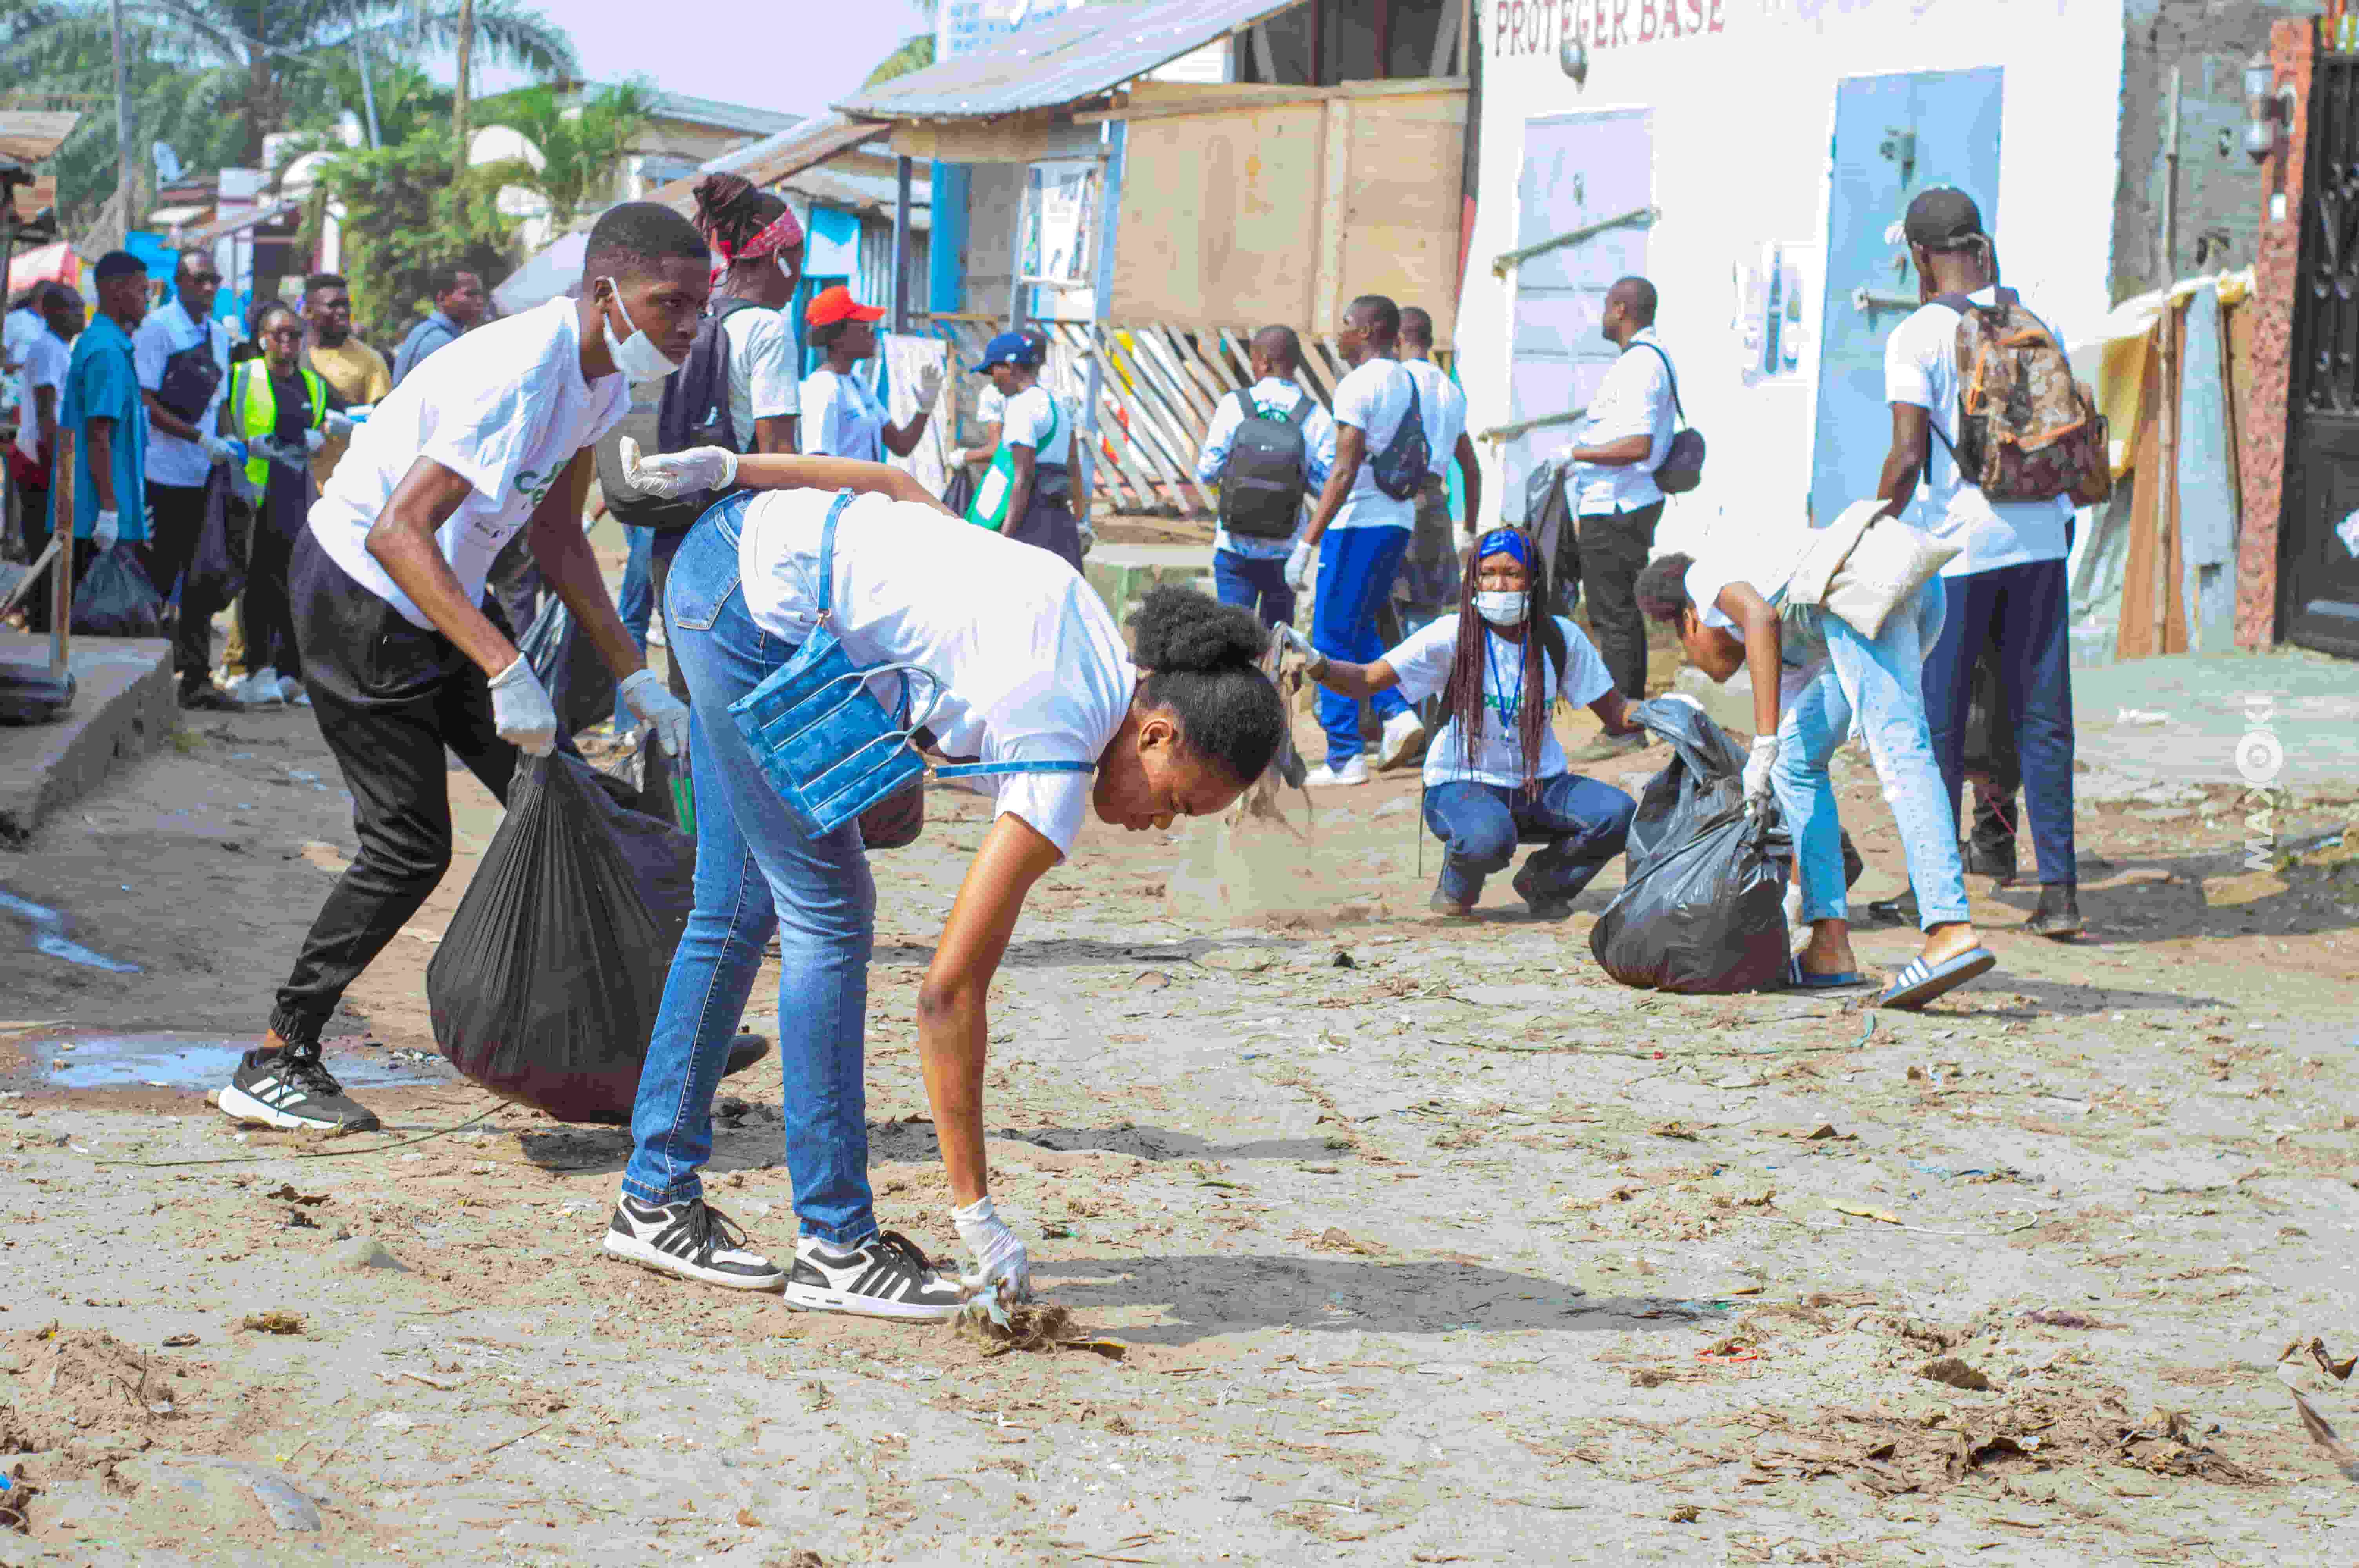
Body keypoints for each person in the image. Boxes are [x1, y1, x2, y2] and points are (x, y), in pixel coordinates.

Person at [597, 439, 1285, 1314]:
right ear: (1155, 734)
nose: (1157, 826)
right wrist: (978, 1215)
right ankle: (836, 1243)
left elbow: (888, 486)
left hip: (724, 561)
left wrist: (731, 469)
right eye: (1178, 804)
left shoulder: (1078, 620)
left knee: (738, 903)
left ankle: (653, 1199)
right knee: (832, 914)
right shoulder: (1059, 730)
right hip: (748, 609)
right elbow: (947, 995)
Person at [212, 202, 703, 1134]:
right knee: (408, 847)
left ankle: (621, 1039)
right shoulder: (519, 371)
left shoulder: (597, 385)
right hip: (359, 593)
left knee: (572, 796)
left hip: (437, 596)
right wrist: (503, 665)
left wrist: (634, 675)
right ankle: (277, 1054)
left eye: (697, 307)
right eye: (667, 301)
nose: (685, 325)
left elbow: (558, 535)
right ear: (607, 293)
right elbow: (398, 533)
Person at [1633, 537, 1997, 1010]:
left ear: (1689, 618)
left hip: (1867, 585)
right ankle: (1829, 948)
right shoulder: (1785, 650)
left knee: (1900, 753)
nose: (1694, 658)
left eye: (1685, 646)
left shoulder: (1701, 579)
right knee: (1795, 763)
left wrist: (1760, 742)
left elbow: (1759, 616)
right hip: (1907, 596)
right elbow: (1791, 761)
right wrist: (1797, 894)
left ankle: (1950, 927)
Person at [1876, 187, 2081, 939]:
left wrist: (1869, 527)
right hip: (2042, 540)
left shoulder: (1917, 335)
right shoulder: (2032, 318)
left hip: (1959, 547)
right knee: (2041, 717)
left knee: (1939, 721)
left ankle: (1933, 890)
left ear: (1921, 257)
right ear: (1980, 245)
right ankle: (2058, 894)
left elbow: (1905, 458)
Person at [1279, 528, 1638, 918]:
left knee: (1617, 814)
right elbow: (1367, 679)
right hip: (1460, 784)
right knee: (1487, 838)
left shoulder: (1559, 637)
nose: (1499, 585)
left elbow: (1616, 713)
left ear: (1533, 580)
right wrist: (1316, 660)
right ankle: (1456, 888)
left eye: (1512, 573)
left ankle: (1546, 882)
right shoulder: (1451, 635)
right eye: (1488, 573)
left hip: (1541, 785)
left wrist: (1671, 712)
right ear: (1473, 580)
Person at [612, 172, 808, 729]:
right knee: (750, 711)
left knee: (693, 703)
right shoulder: (766, 329)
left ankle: (690, 814)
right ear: (783, 259)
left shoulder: (684, 320)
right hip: (739, 545)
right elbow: (781, 458)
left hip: (670, 539)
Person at [1284, 294, 1427, 785]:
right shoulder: (1406, 380)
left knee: (1328, 634)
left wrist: (1307, 541)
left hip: (1358, 519)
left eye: (1345, 325)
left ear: (1367, 331)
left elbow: (1343, 469)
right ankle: (1396, 713)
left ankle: (1347, 754)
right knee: (1359, 625)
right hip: (1397, 517)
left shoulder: (1358, 384)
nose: (1338, 334)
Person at [1563, 276, 1677, 754]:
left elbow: (1637, 445)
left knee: (1615, 617)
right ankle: (1624, 717)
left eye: (1607, 308)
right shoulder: (1643, 362)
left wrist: (1577, 453)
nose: (1603, 318)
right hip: (1620, 502)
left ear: (1620, 309)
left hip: (1617, 505)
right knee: (1616, 614)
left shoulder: (1639, 366)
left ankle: (1623, 726)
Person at [132, 252, 240, 708]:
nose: (210, 287)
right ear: (179, 282)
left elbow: (222, 403)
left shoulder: (218, 335)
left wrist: (230, 444)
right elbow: (148, 401)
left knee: (202, 578)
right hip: (165, 472)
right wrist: (197, 436)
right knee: (160, 574)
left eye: (215, 279)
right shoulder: (159, 329)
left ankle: (195, 677)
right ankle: (147, 678)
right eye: (201, 279)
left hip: (206, 474)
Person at [226, 301, 337, 705]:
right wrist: (244, 445)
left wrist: (320, 438)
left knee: (296, 585)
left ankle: (292, 674)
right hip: (253, 498)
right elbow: (224, 421)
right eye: (280, 335)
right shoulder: (242, 376)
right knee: (257, 586)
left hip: (296, 499)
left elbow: (323, 426)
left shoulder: (313, 385)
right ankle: (259, 670)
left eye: (295, 334)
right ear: (262, 339)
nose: (288, 343)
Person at [1194, 323, 1333, 630]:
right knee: (1276, 644)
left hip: (1235, 547)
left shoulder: (1236, 405)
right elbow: (1326, 485)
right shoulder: (1316, 416)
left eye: (1254, 359)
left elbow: (1207, 471)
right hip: (1284, 550)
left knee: (1231, 642)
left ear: (1265, 362)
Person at [52, 252, 152, 597]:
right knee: (94, 628)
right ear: (116, 290)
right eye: (142, 291)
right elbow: (99, 436)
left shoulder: (109, 345)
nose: (147, 301)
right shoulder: (107, 352)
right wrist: (110, 509)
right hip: (95, 520)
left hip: (97, 514)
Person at [1395, 306, 1480, 633]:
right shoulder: (1451, 391)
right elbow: (1471, 469)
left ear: (1399, 339)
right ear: (1429, 340)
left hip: (1394, 501)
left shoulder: (1395, 381)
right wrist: (1469, 532)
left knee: (1385, 615)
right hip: (1433, 507)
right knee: (1423, 620)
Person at [964, 331, 1080, 570]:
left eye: (992, 372)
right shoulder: (1057, 408)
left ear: (1010, 366)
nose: (992, 381)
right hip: (1059, 521)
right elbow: (1073, 467)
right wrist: (1081, 519)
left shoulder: (1022, 407)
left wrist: (1004, 540)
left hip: (1031, 521)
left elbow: (1023, 478)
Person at [801, 286, 938, 465]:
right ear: (838, 338)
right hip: (843, 493)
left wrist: (924, 410)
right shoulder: (823, 387)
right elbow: (817, 463)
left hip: (865, 492)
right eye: (865, 329)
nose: (873, 336)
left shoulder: (858, 384)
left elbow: (902, 445)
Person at [9, 284, 77, 578]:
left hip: (46, 455)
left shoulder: (60, 347)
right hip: (41, 458)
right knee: (43, 541)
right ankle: (39, 612)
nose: (81, 315)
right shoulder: (48, 348)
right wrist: (58, 465)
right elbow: (46, 411)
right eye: (73, 308)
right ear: (52, 313)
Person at [390, 266, 489, 386]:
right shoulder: (438, 342)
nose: (480, 301)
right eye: (470, 294)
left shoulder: (433, 333)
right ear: (442, 298)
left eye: (480, 295)